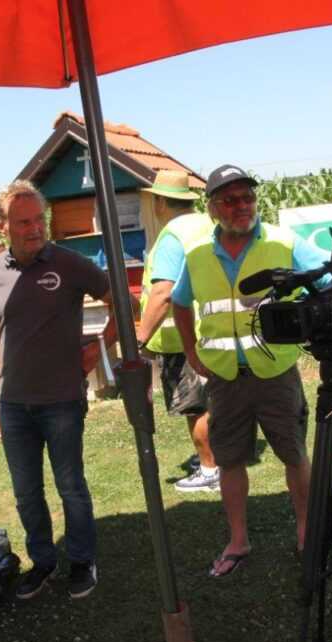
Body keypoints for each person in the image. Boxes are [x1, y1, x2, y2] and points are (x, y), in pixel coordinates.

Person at [172, 164, 329, 578]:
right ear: (212, 208)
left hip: (276, 372)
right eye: (230, 200)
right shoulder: (197, 255)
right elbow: (180, 303)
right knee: (229, 461)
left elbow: (328, 282)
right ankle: (238, 541)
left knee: (294, 455)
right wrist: (190, 351)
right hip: (225, 379)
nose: (242, 206)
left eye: (248, 197)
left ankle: (305, 532)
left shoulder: (283, 241)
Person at [0, 180, 132, 600]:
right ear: (1, 227)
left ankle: (82, 562)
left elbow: (124, 302)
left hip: (62, 401)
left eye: (39, 220)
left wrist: (99, 349)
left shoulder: (69, 263)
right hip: (13, 405)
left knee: (70, 486)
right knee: (26, 493)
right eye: (23, 222)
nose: (34, 228)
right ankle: (43, 562)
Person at [135, 170, 221, 493]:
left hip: (183, 338)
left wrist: (141, 337)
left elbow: (163, 294)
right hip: (213, 329)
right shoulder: (207, 224)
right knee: (214, 402)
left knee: (195, 407)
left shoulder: (172, 235)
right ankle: (220, 459)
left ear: (159, 202)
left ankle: (210, 470)